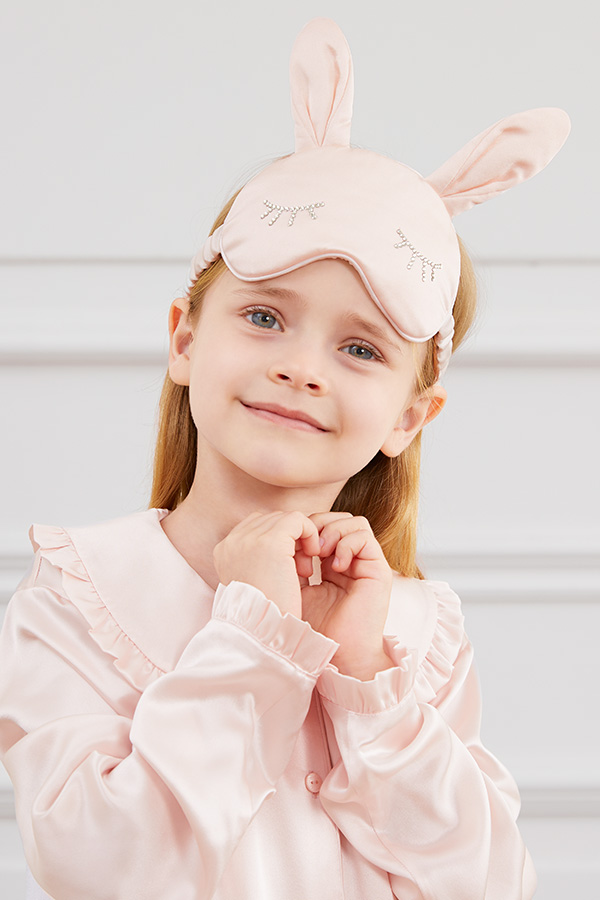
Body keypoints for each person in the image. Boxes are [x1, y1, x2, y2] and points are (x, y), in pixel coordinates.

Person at [0, 17, 570, 900]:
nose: (299, 367)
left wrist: (364, 682)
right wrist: (252, 639)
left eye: (362, 349)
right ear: (185, 338)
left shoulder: (414, 637)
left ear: (411, 418)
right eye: (264, 316)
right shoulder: (78, 598)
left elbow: (490, 884)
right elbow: (106, 872)